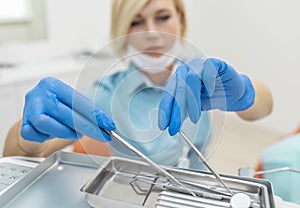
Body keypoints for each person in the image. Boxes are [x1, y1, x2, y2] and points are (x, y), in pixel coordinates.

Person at [3, 0, 273, 170]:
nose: (152, 33)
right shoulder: (106, 93)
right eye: (136, 21)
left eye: (163, 17)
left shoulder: (201, 76)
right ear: (123, 31)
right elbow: (16, 157)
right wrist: (26, 132)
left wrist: (246, 93)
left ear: (181, 19)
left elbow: (262, 108)